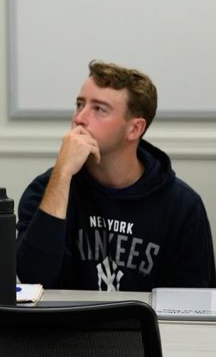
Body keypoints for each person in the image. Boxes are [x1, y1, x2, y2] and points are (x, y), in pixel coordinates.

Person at [16, 60, 215, 291]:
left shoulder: (183, 206)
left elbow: (193, 301)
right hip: (67, 316)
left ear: (135, 129)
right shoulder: (46, 190)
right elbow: (33, 279)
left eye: (99, 109)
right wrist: (63, 175)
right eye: (80, 104)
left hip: (147, 317)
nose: (80, 118)